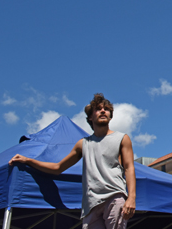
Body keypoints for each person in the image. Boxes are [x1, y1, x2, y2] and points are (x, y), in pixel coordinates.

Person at [9, 94, 135, 229]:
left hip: (114, 196)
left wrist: (131, 198)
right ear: (90, 117)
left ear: (110, 116)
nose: (103, 111)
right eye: (98, 109)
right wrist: (28, 160)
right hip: (91, 204)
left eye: (107, 109)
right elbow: (58, 167)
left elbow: (129, 167)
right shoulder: (83, 144)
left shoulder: (122, 138)